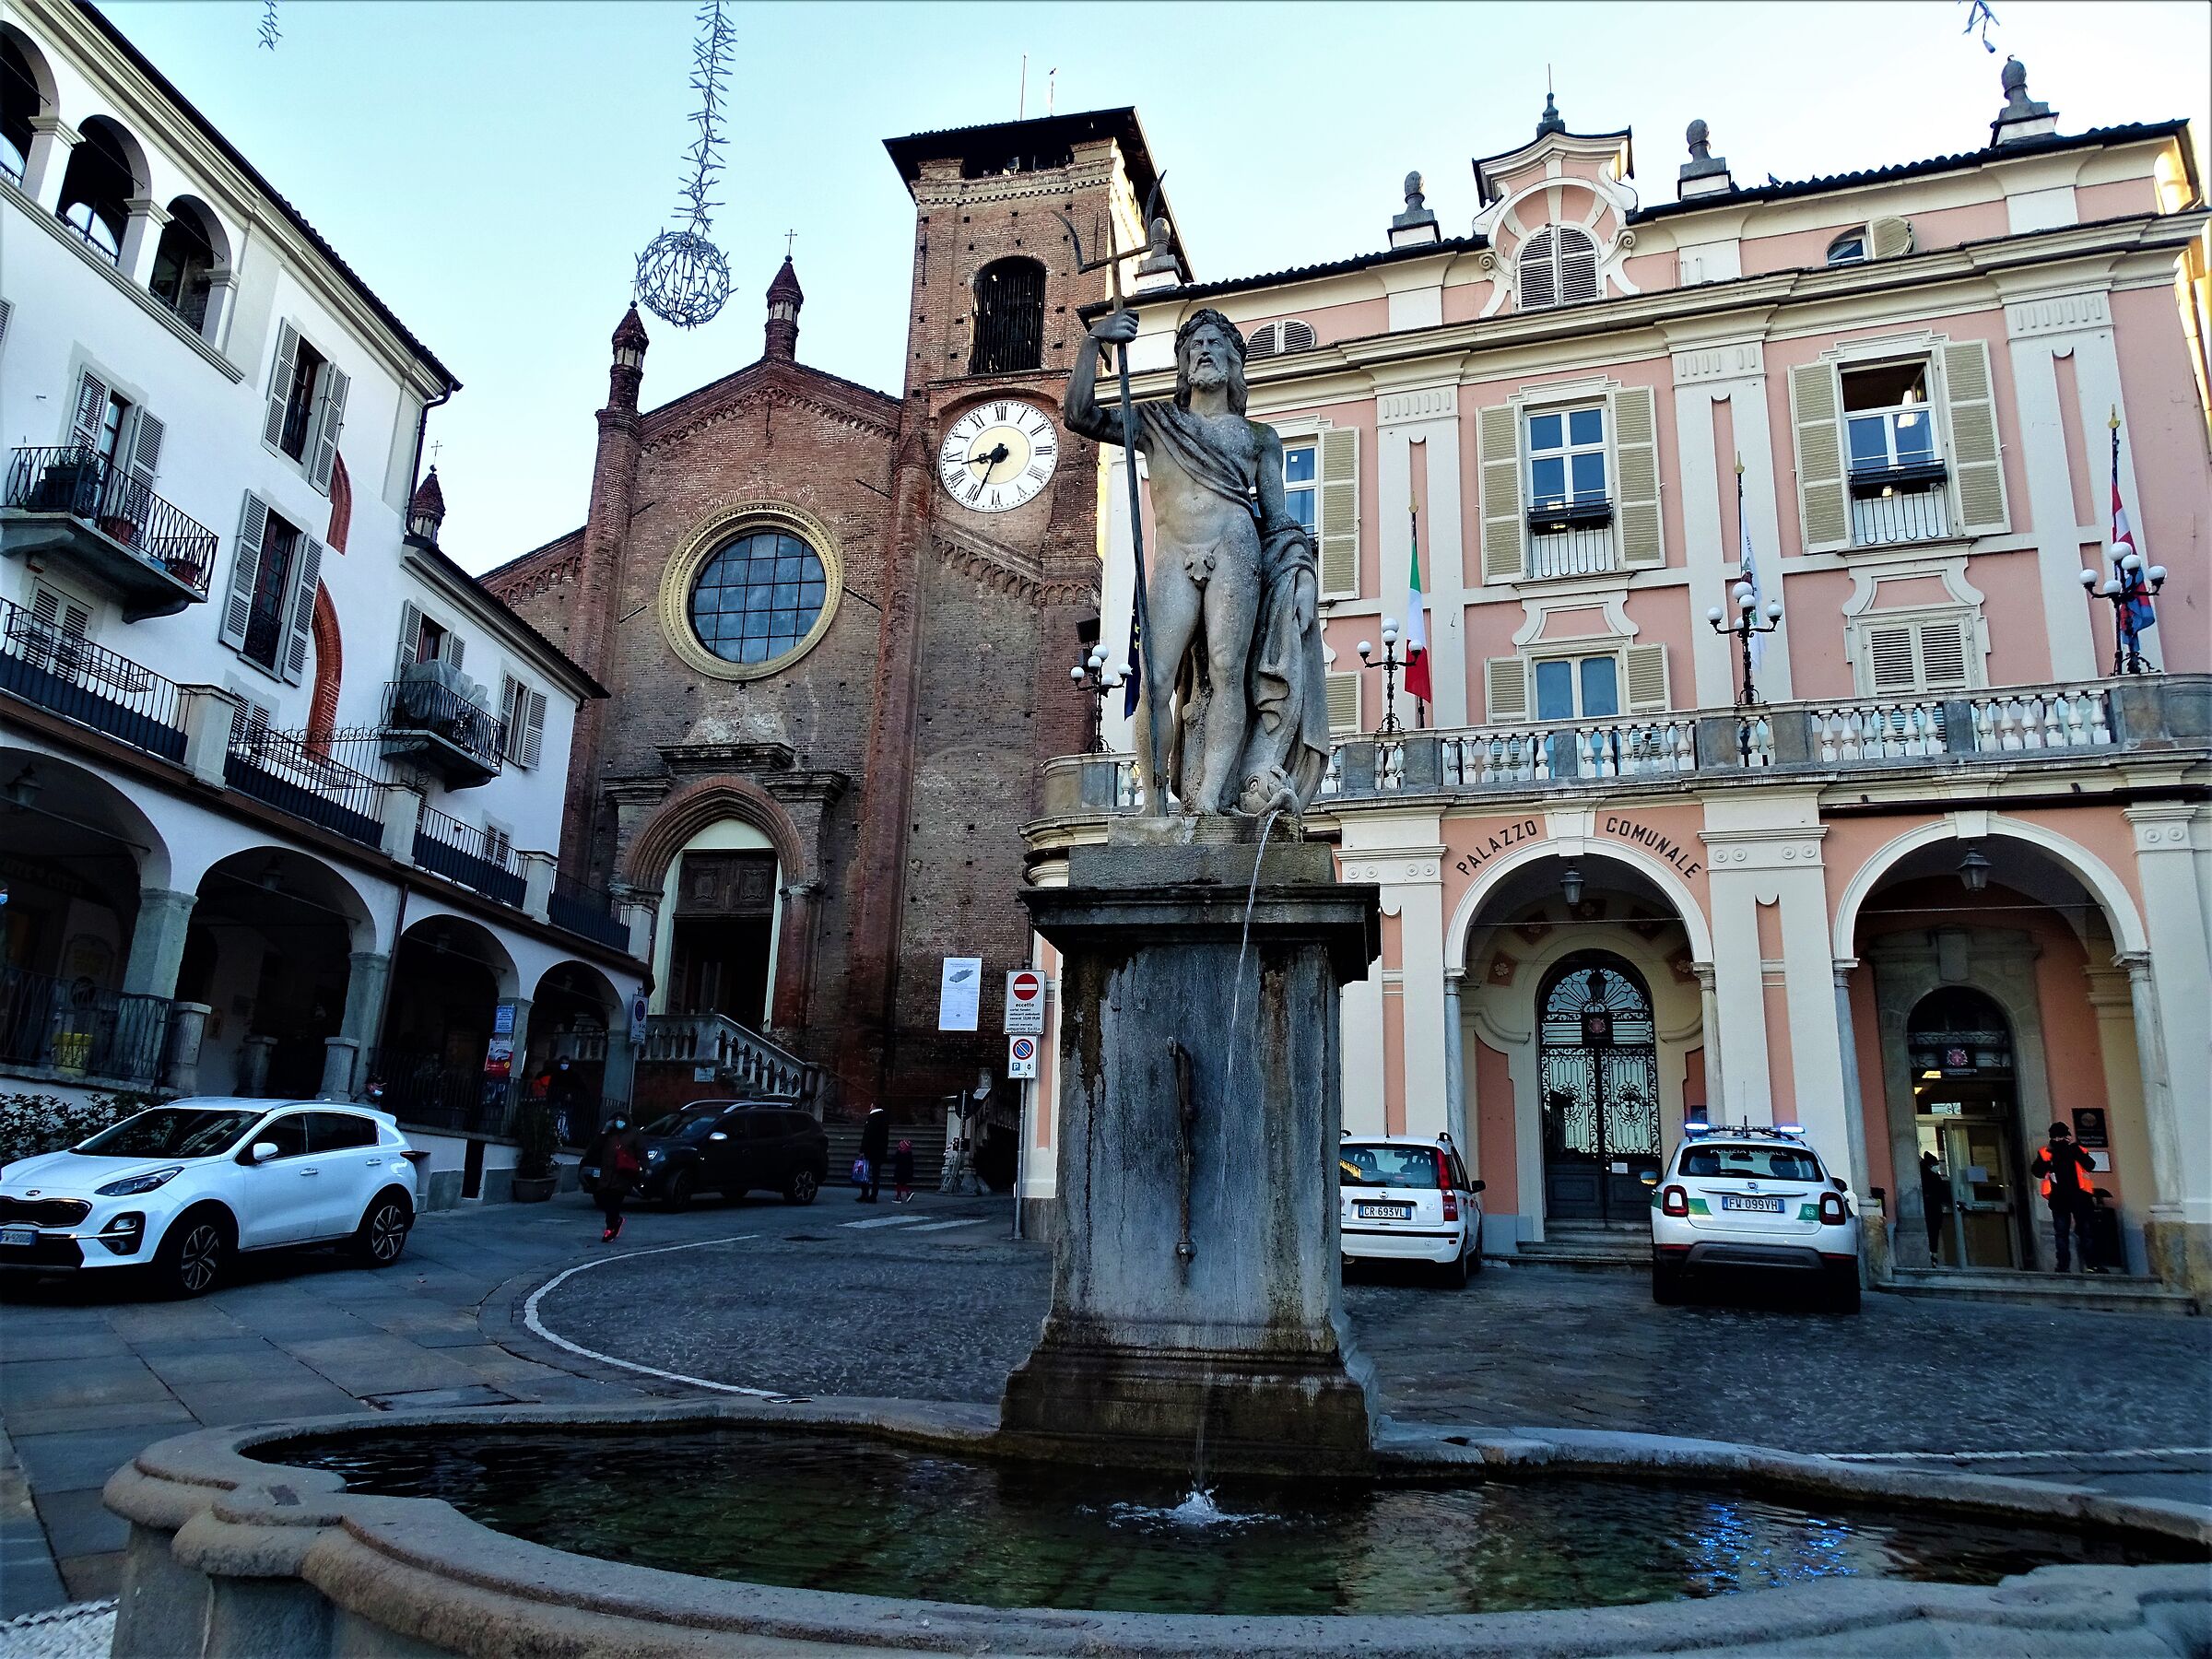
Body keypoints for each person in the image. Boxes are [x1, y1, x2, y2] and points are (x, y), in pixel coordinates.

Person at [1065, 306, 1329, 818]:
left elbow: (1277, 520)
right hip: (1174, 552)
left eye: (1214, 344)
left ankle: (1210, 795)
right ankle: (1152, 803)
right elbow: (1080, 416)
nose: (1203, 352)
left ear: (1234, 363)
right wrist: (1093, 343)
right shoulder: (1156, 421)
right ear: (1183, 367)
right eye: (1193, 347)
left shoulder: (1258, 438)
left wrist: (1299, 574)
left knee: (1229, 673)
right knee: (1157, 679)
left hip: (1234, 548)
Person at [2030, 1121, 2100, 1273]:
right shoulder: (2046, 1153)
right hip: (2063, 1199)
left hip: (2078, 1198)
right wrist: (2049, 1156)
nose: (2059, 1140)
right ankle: (2066, 1266)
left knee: (2083, 1232)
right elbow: (2037, 1171)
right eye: (2057, 1137)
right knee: (2065, 1234)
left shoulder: (2076, 1149)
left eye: (2061, 1136)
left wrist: (2074, 1151)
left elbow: (2090, 1165)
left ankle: (2088, 1265)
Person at [589, 1112, 644, 1242]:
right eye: (617, 1120)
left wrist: (644, 1167)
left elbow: (641, 1151)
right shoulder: (608, 1134)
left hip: (622, 1175)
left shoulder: (634, 1134)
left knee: (614, 1202)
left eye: (622, 1120)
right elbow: (595, 1147)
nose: (619, 1123)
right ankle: (615, 1222)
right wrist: (604, 1131)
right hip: (607, 1174)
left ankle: (611, 1228)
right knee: (604, 1199)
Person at [1919, 1150, 1952, 1257]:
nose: (1937, 1167)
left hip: (1932, 1209)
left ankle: (1933, 1255)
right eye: (1935, 1164)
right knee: (1933, 1233)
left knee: (1933, 1233)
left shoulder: (1930, 1175)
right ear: (1930, 1165)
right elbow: (1942, 1192)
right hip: (1932, 1210)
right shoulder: (1930, 1177)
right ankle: (1933, 1255)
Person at [856, 1104, 890, 1204]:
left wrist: (862, 1149)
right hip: (880, 1151)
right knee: (876, 1175)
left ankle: (864, 1194)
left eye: (871, 1106)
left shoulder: (872, 1118)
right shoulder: (884, 1117)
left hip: (869, 1150)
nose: (869, 1107)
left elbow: (867, 1135)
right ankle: (873, 1195)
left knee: (865, 1173)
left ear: (874, 1106)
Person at [893, 1137, 916, 1205]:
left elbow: (894, 1159)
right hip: (907, 1171)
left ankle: (902, 1195)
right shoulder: (909, 1154)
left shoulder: (899, 1153)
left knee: (899, 1184)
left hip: (899, 1170)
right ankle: (901, 1195)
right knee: (902, 1184)